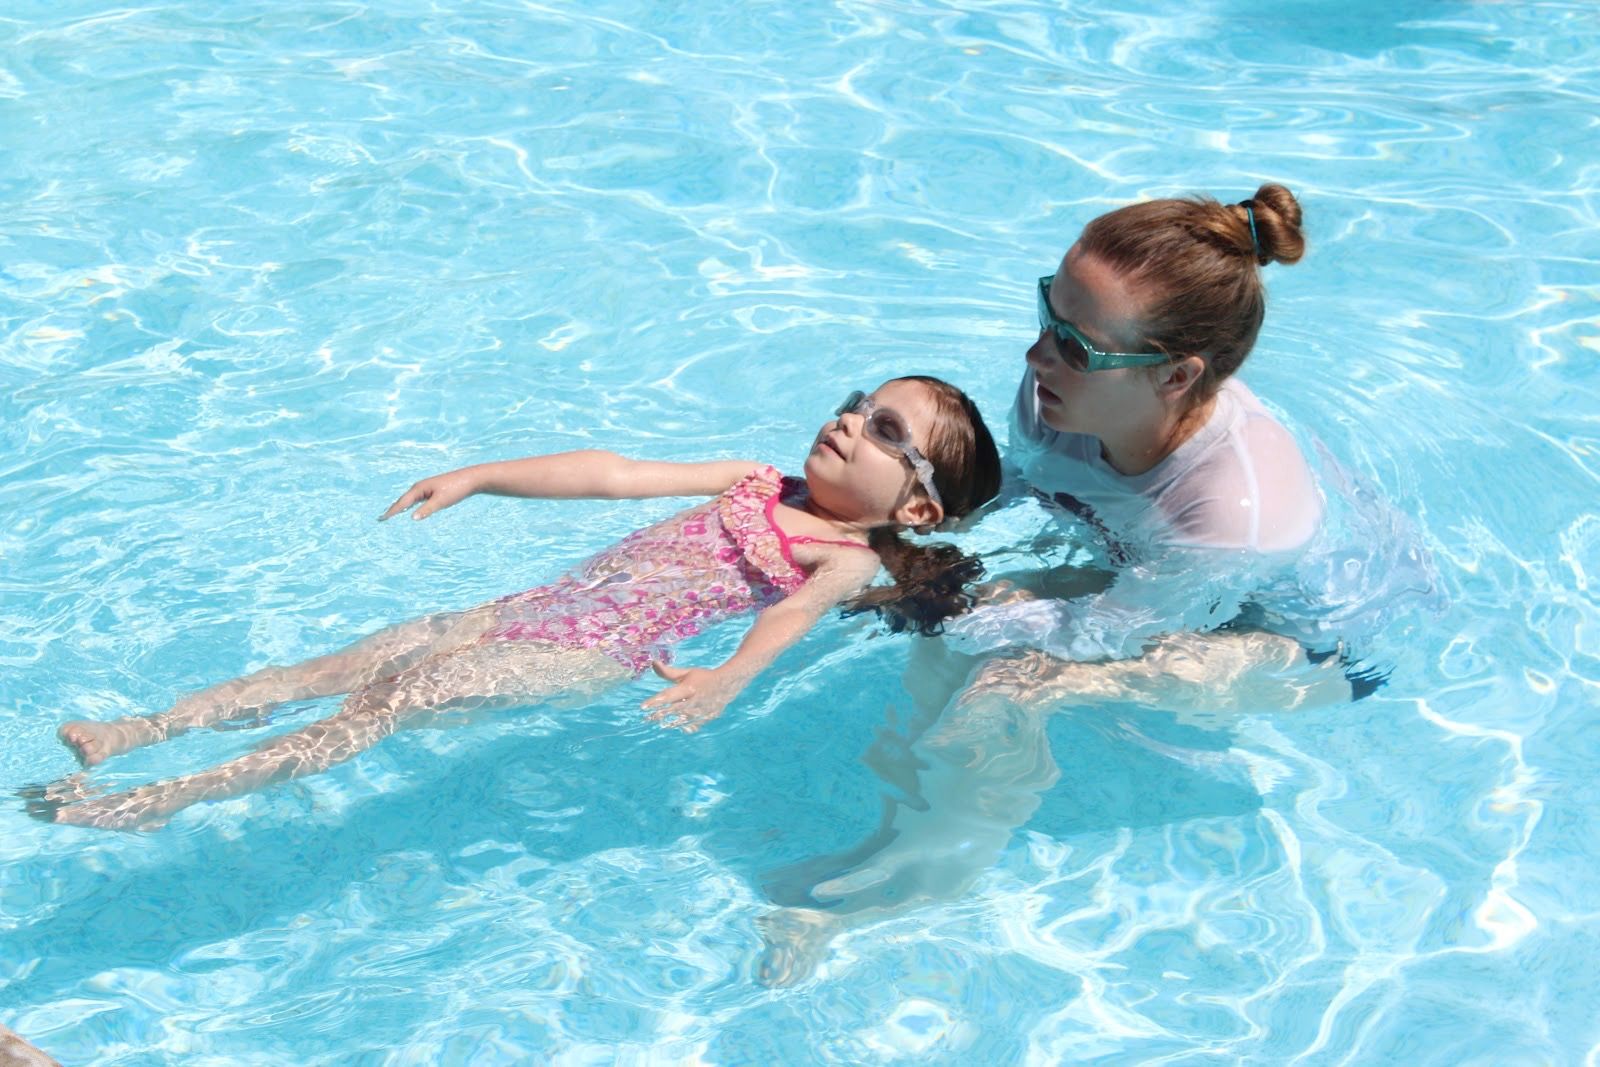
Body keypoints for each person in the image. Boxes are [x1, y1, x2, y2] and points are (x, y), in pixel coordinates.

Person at [754, 185, 1443, 984]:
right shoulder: (1058, 396)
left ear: (1176, 376)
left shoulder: (1235, 514)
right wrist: (888, 545)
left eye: (1076, 346)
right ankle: (894, 827)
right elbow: (1022, 490)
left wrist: (977, 620)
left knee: (1013, 683)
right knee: (969, 610)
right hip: (1169, 588)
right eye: (1047, 314)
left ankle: (921, 879)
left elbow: (1107, 633)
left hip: (1314, 648)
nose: (1036, 356)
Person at [30, 376, 1003, 831]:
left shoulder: (838, 553)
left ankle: (162, 799)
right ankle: (139, 732)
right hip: (532, 606)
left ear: (915, 505)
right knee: (338, 666)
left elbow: (784, 619)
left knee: (391, 700)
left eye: (881, 428)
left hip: (584, 653)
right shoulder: (752, 479)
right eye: (854, 399)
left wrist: (728, 676)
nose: (845, 419)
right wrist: (485, 474)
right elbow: (614, 473)